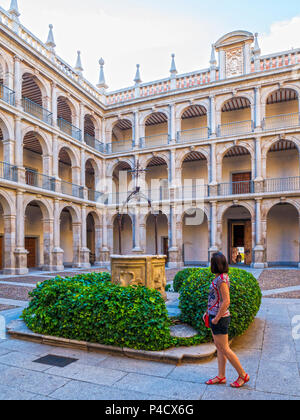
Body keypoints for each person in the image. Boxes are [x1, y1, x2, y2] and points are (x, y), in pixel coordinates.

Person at [204, 252, 250, 388]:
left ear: (216, 264)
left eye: (212, 262)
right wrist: (207, 313)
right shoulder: (219, 277)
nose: (210, 264)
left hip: (220, 318)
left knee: (225, 348)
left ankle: (243, 375)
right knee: (220, 348)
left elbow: (226, 301)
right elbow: (214, 298)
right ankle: (221, 376)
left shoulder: (222, 279)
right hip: (214, 316)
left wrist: (216, 318)